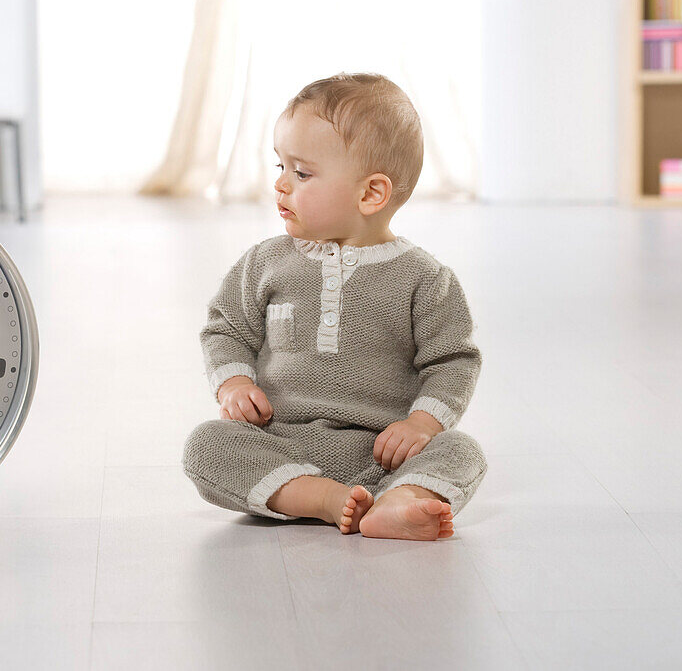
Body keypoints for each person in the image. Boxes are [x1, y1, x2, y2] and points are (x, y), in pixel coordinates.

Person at [182, 72, 487, 541]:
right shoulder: (265, 263)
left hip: (380, 453)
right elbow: (226, 328)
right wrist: (234, 384)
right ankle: (320, 498)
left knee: (462, 451)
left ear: (370, 194)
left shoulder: (425, 279)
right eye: (279, 166)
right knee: (206, 446)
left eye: (301, 173)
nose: (281, 185)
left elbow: (453, 362)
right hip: (279, 443)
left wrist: (421, 425)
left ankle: (396, 500)